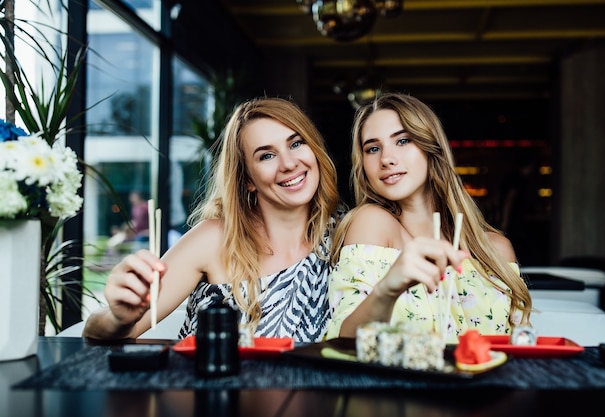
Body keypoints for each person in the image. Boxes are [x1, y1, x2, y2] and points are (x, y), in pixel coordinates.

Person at [83, 97, 341, 343]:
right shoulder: (215, 239)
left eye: (296, 144)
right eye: (266, 155)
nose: (288, 163)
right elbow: (98, 329)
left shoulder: (347, 237)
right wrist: (118, 318)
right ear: (248, 180)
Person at [326, 92, 532, 342]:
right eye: (373, 148)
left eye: (402, 141)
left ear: (430, 147)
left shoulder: (496, 250)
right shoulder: (372, 223)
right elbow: (345, 342)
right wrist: (388, 289)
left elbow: (521, 347)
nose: (386, 159)